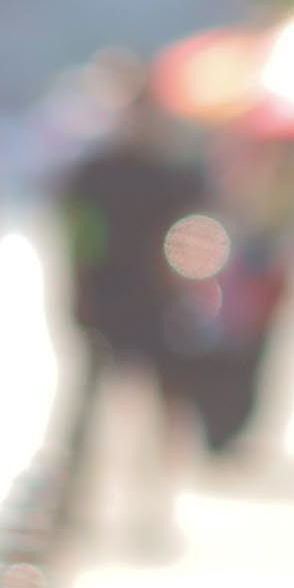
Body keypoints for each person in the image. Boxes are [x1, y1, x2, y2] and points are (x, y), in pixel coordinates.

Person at [54, 58, 207, 554]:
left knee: (158, 410)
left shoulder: (170, 173)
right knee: (88, 411)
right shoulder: (94, 173)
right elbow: (79, 237)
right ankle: (76, 504)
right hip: (106, 301)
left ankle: (151, 506)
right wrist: (78, 291)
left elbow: (192, 235)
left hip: (152, 304)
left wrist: (182, 284)